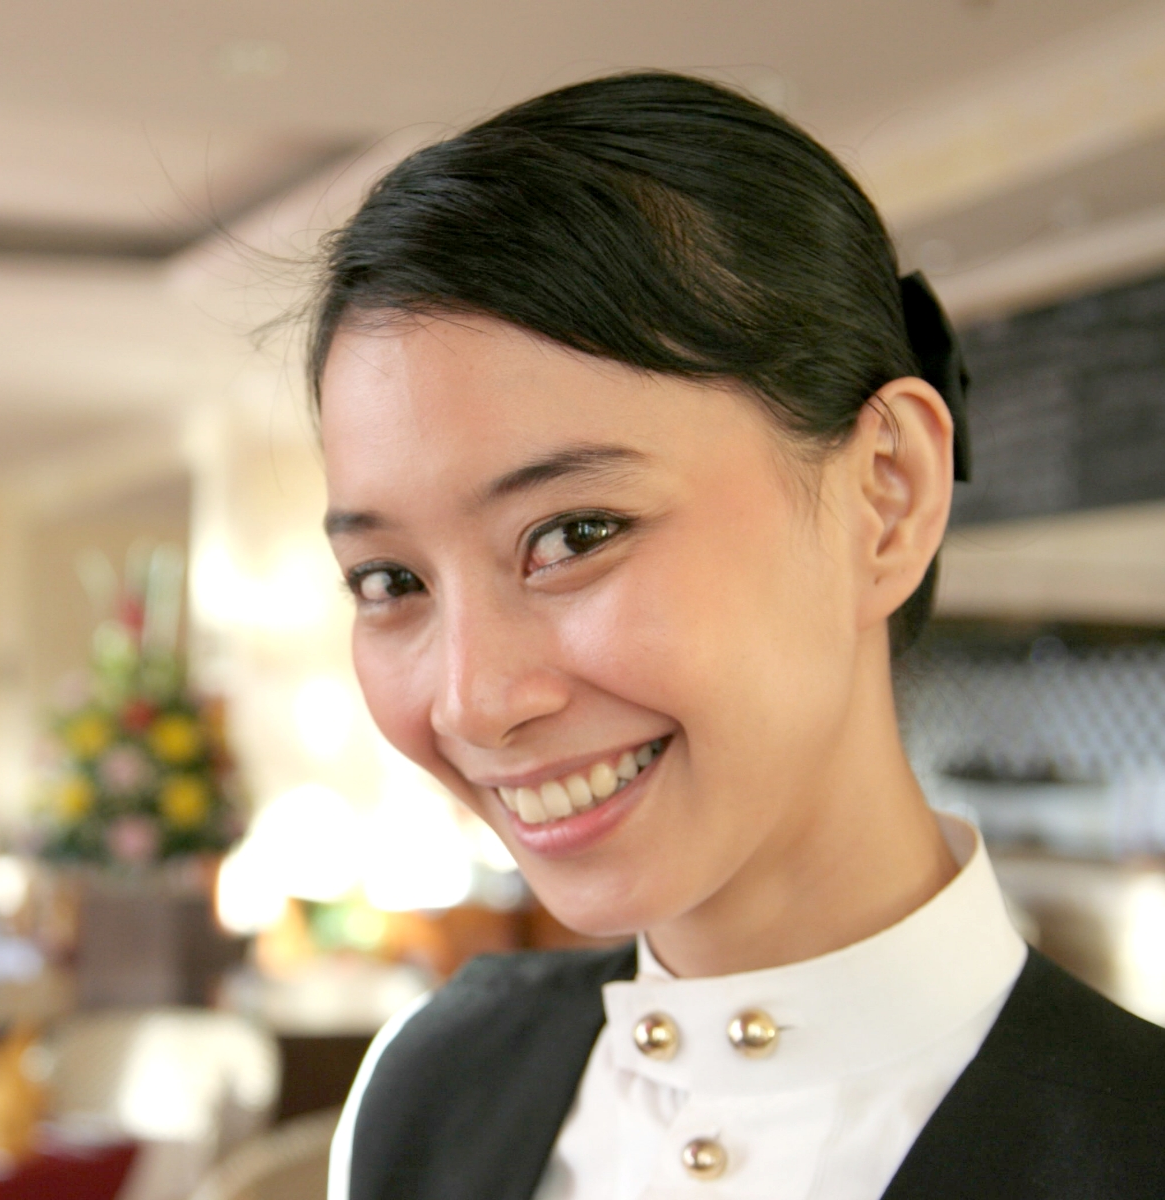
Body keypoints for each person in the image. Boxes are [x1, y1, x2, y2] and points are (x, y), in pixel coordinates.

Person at [310, 72, 1165, 1200]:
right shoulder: (426, 1089)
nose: (473, 699)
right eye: (390, 579)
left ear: (887, 496)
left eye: (573, 533)